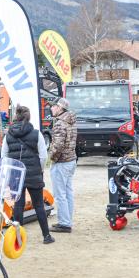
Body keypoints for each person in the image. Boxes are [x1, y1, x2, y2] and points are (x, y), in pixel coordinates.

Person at [2, 105, 55, 244]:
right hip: (33, 173)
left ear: (16, 117)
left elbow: (4, 157)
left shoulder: (8, 135)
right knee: (38, 205)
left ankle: (18, 239)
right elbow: (43, 156)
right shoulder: (36, 133)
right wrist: (40, 169)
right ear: (28, 117)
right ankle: (46, 236)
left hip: (15, 174)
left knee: (18, 206)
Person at [48, 97, 77, 233]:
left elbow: (58, 146)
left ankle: (64, 223)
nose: (51, 108)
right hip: (70, 160)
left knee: (60, 194)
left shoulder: (60, 123)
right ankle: (67, 220)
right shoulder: (71, 121)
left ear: (60, 108)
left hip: (61, 162)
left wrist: (51, 158)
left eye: (53, 106)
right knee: (68, 193)